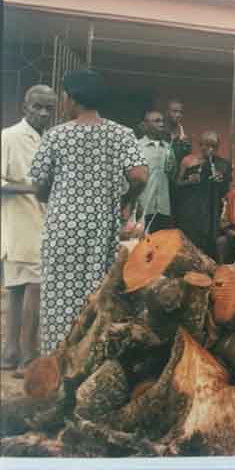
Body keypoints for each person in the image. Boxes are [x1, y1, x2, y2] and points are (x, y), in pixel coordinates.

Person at [29, 70, 148, 355]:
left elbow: (38, 184)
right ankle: (89, 357)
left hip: (62, 228)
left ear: (72, 98)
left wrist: (50, 197)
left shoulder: (56, 135)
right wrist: (125, 199)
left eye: (64, 96)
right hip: (101, 228)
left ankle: (56, 357)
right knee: (98, 293)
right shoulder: (121, 134)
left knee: (59, 293)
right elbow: (140, 175)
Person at [1, 85, 58, 374]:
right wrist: (31, 189)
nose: (43, 113)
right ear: (25, 107)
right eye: (38, 107)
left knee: (23, 289)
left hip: (43, 222)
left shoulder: (50, 139)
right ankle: (27, 356)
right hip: (19, 222)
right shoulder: (8, 137)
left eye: (49, 108)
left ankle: (11, 352)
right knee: (26, 288)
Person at [175, 130, 231, 258]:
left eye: (213, 146)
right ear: (200, 145)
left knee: (209, 239)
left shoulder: (222, 164)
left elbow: (226, 189)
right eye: (206, 145)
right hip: (191, 207)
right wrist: (189, 181)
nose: (210, 149)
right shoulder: (188, 160)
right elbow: (177, 184)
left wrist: (220, 179)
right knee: (190, 238)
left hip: (211, 207)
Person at [136, 110, 176, 233]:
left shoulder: (168, 147)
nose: (161, 124)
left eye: (162, 121)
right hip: (143, 206)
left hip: (163, 207)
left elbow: (172, 175)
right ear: (146, 124)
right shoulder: (137, 147)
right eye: (157, 121)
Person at [164, 99, 192, 166]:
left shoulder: (184, 136)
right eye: (174, 111)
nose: (178, 115)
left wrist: (185, 146)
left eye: (180, 112)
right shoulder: (159, 132)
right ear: (167, 112)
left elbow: (186, 160)